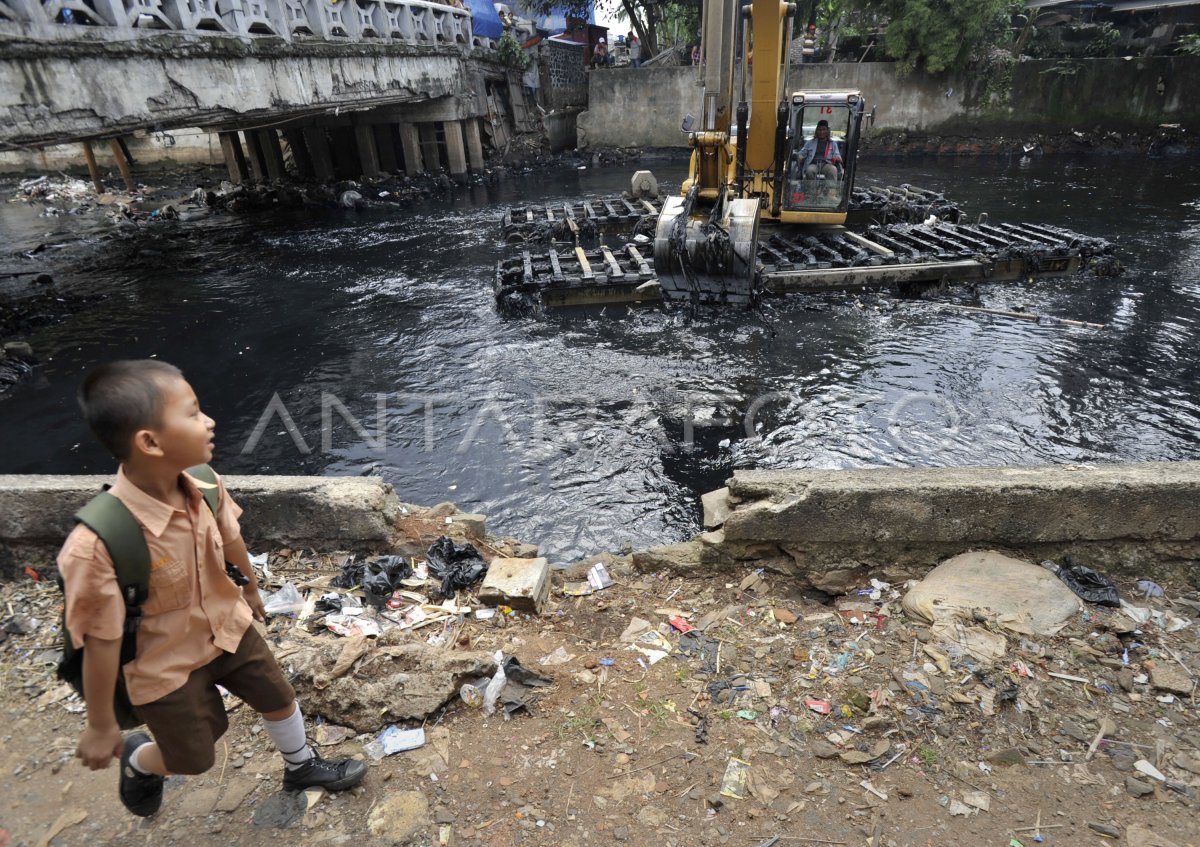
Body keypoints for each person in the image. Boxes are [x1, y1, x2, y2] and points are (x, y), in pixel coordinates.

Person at [61, 359, 367, 817]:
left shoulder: (202, 483)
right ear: (149, 442)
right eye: (193, 413)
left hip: (226, 627)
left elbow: (229, 538)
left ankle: (300, 765)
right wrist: (101, 724)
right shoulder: (97, 545)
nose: (210, 421)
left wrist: (249, 590)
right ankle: (139, 759)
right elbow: (102, 641)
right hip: (163, 664)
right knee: (195, 758)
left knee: (277, 695)